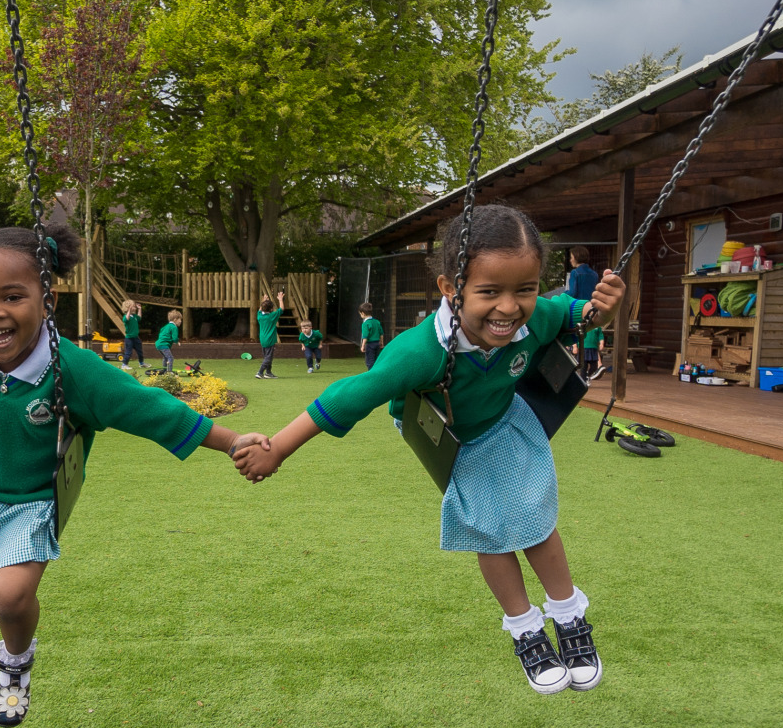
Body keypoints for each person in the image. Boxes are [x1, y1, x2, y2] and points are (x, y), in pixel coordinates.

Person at [0, 220, 266, 727]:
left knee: (10, 596)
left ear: (47, 301)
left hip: (34, 498)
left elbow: (151, 410)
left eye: (12, 296)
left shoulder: (72, 369)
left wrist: (230, 440)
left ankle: (15, 664)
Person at [235, 205, 625, 697]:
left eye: (525, 290)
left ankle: (568, 614)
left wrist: (600, 310)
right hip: (453, 436)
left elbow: (571, 312)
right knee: (489, 528)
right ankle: (524, 625)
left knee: (535, 517)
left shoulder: (535, 317)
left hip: (507, 422)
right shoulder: (419, 353)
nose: (509, 308)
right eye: (489, 292)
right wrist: (278, 448)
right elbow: (349, 396)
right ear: (449, 288)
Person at [255, 291, 286, 380]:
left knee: (267, 356)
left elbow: (260, 310)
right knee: (268, 358)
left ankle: (268, 373)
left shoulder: (259, 316)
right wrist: (280, 299)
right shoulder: (272, 316)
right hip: (270, 340)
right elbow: (281, 309)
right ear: (271, 309)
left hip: (262, 339)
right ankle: (260, 372)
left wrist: (264, 300)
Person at [120, 300, 144, 367]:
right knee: (128, 352)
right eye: (133, 306)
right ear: (128, 308)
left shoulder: (134, 316)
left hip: (136, 337)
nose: (135, 308)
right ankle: (124, 364)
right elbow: (126, 319)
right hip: (129, 338)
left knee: (140, 351)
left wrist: (140, 309)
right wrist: (129, 310)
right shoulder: (126, 317)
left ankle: (141, 363)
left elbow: (139, 318)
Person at [359, 302, 383, 368]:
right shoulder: (377, 322)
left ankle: (372, 373)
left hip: (370, 344)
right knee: (376, 360)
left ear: (363, 313)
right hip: (377, 343)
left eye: (360, 314)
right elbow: (381, 333)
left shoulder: (365, 324)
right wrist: (381, 342)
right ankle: (377, 372)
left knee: (370, 361)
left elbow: (365, 336)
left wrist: (363, 346)